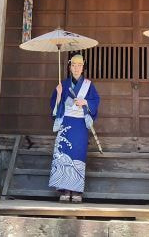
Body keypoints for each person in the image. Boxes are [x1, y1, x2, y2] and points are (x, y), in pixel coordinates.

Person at [49, 53, 100, 203]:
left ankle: (77, 191)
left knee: (78, 155)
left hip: (80, 124)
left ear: (83, 67)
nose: (76, 68)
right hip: (66, 123)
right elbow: (55, 106)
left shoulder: (89, 85)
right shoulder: (63, 85)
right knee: (62, 154)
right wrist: (58, 96)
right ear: (69, 67)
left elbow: (95, 101)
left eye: (79, 65)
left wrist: (85, 102)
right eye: (73, 65)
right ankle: (64, 190)